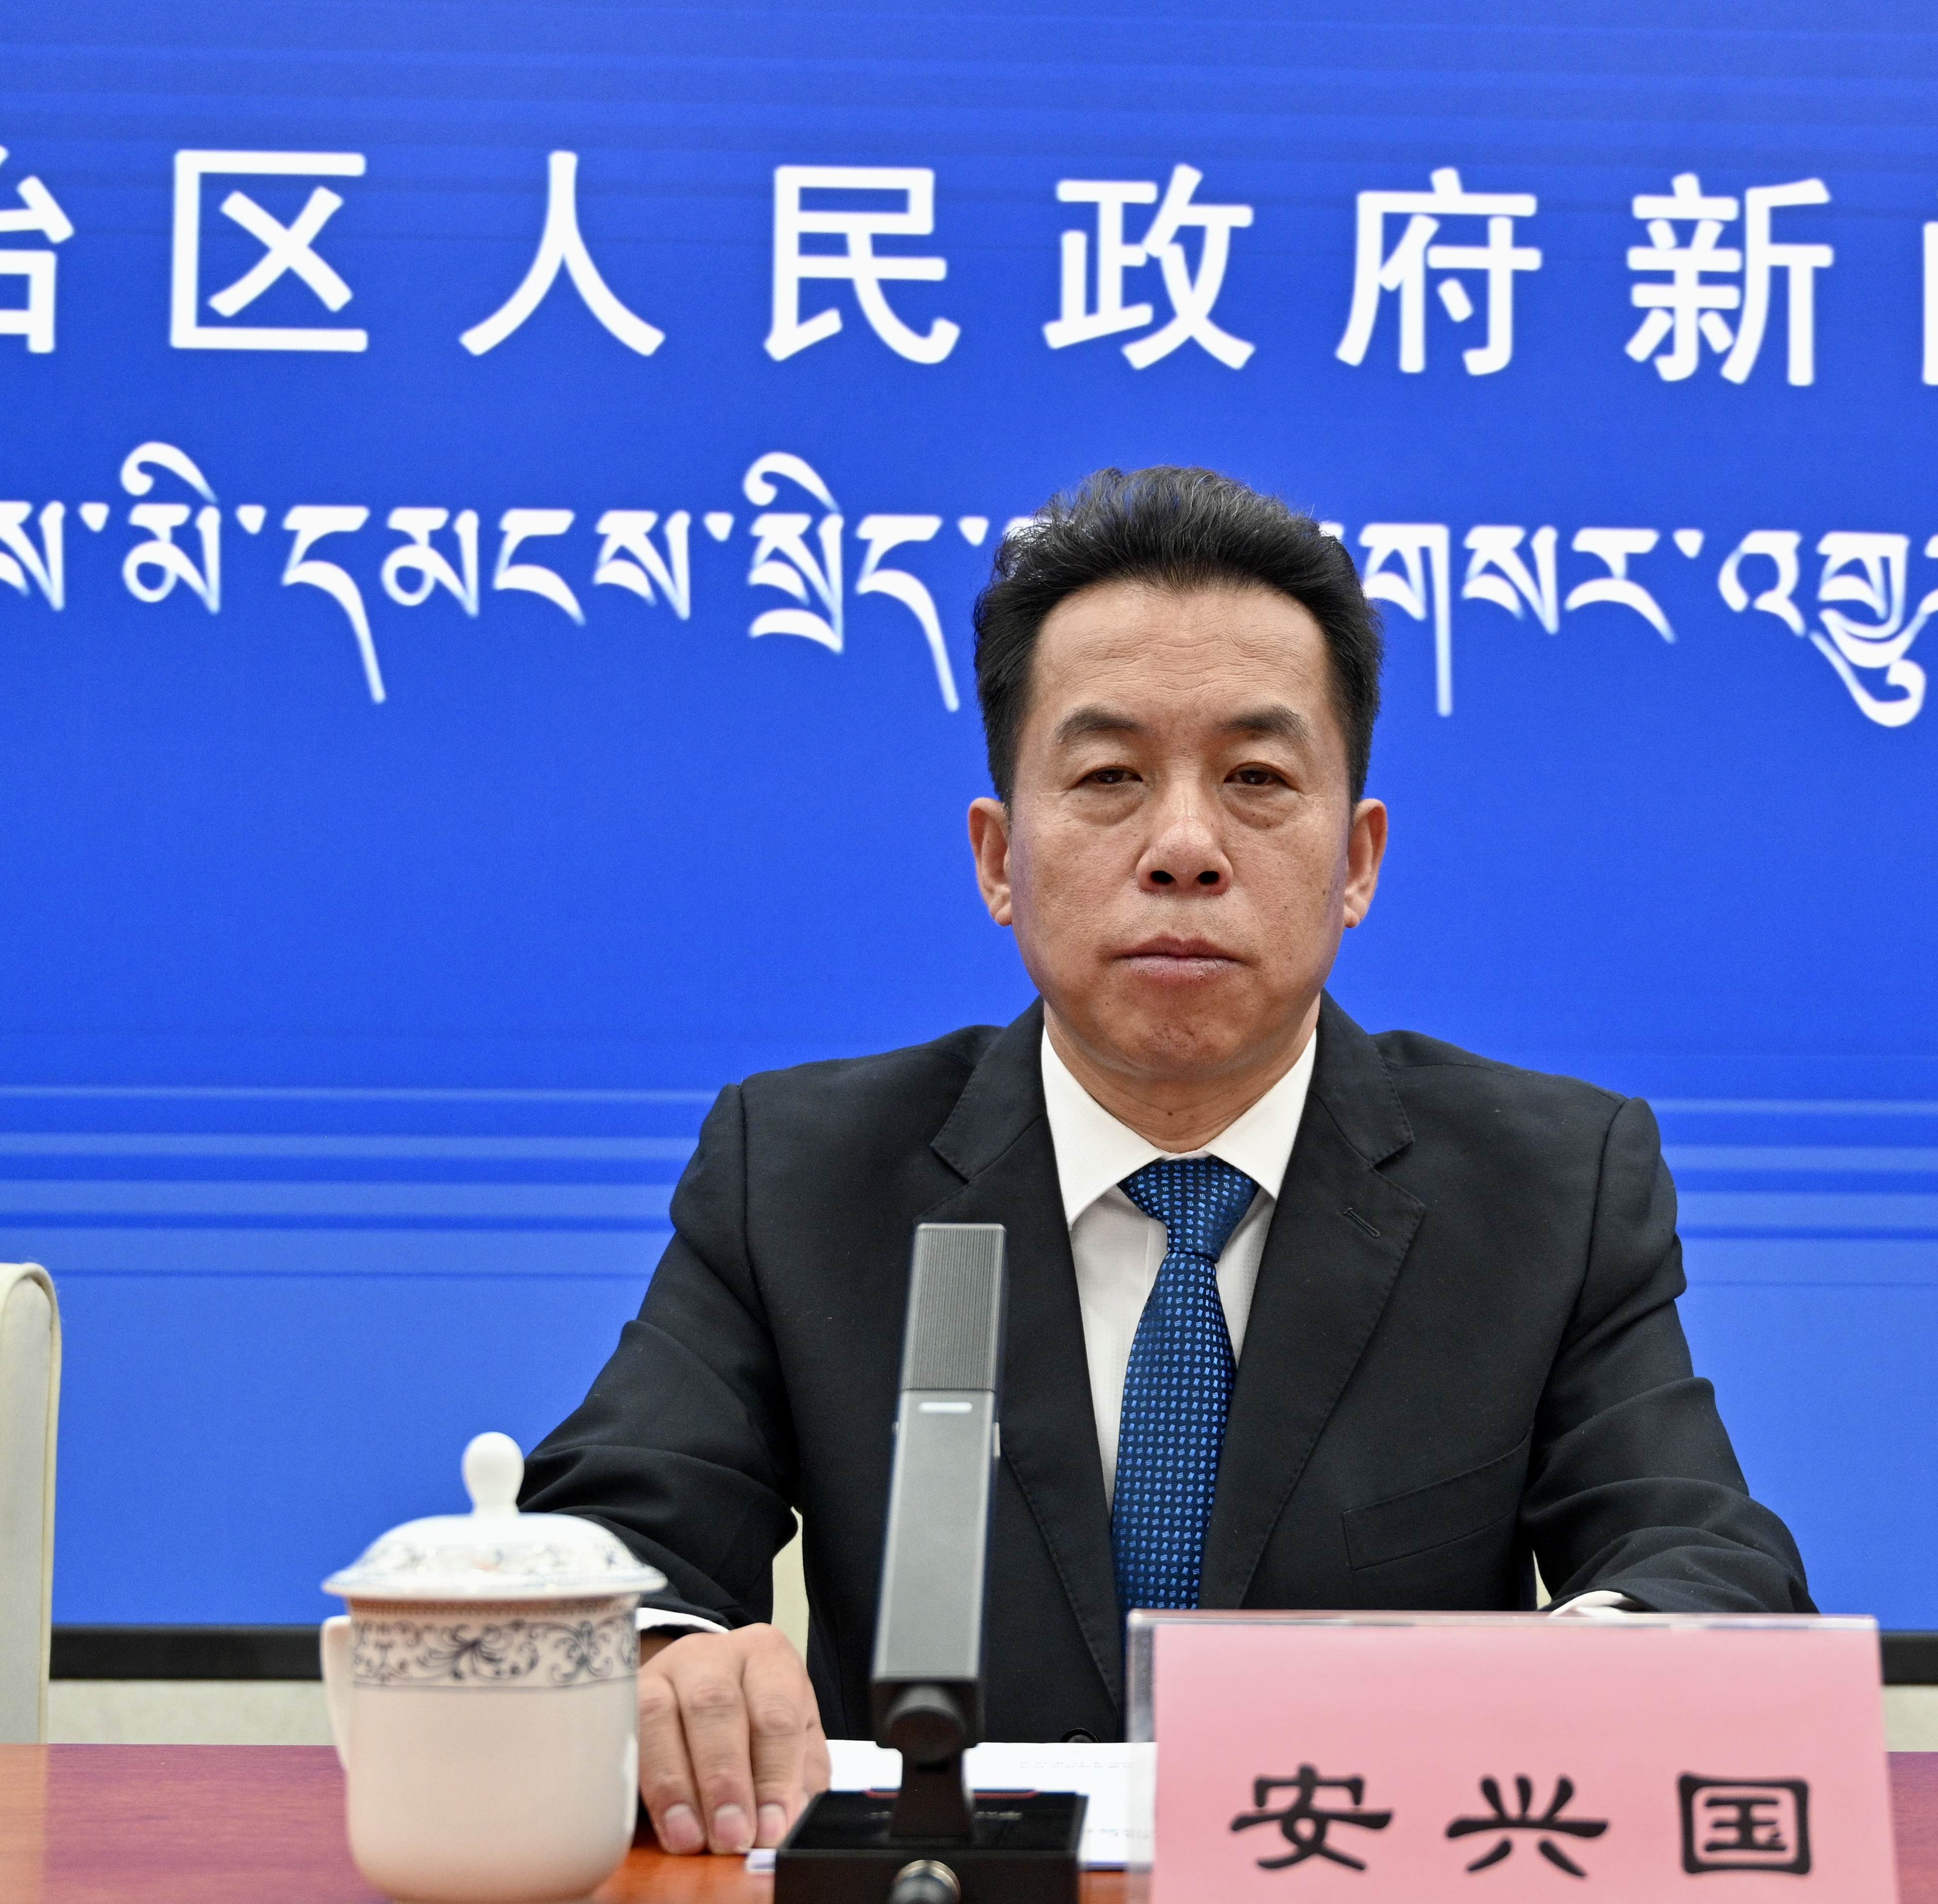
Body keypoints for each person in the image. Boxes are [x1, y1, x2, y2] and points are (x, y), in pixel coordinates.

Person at [522, 466, 1811, 1859]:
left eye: (1257, 779)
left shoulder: (1550, 1186)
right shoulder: (804, 1174)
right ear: (999, 859)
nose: (1185, 847)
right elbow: (608, 1536)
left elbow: (1708, 1567)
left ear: (1357, 861)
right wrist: (661, 1656)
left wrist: (1563, 1688)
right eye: (1109, 778)